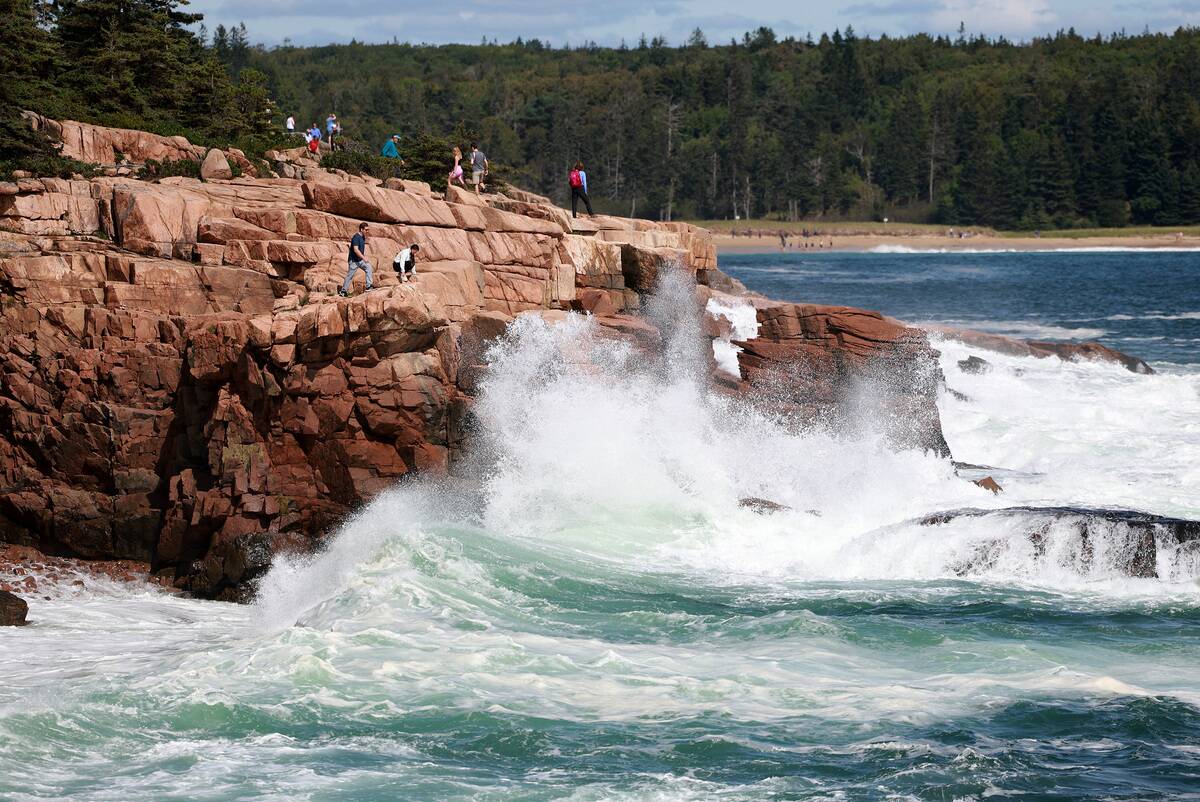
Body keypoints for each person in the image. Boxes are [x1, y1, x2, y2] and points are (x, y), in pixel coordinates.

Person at [339, 223, 373, 296]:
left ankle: (368, 286)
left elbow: (360, 250)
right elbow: (356, 250)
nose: (367, 231)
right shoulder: (356, 237)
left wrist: (363, 257)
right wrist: (364, 258)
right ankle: (343, 291)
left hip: (360, 260)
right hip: (353, 261)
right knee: (350, 276)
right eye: (366, 230)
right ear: (361, 229)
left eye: (368, 230)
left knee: (368, 267)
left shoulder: (363, 237)